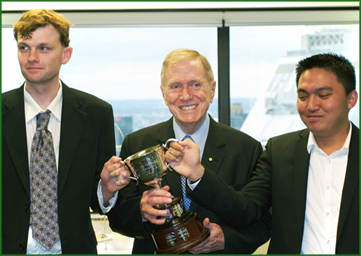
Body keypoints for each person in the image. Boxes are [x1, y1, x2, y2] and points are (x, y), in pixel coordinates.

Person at [166, 53, 359, 254]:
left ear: (351, 99)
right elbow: (246, 209)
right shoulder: (280, 152)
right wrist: (197, 173)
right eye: (303, 96)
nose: (311, 105)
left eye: (324, 95)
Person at [105, 48, 271, 254]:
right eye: (175, 86)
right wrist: (141, 211)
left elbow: (263, 222)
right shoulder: (137, 144)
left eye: (195, 84)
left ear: (212, 89)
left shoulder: (246, 148)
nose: (185, 96)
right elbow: (118, 219)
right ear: (163, 94)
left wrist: (226, 239)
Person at [2, 9, 130, 254]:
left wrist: (106, 188)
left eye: (44, 48)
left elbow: (97, 196)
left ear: (66, 54)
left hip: (75, 248)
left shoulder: (96, 113)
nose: (32, 57)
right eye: (24, 47)